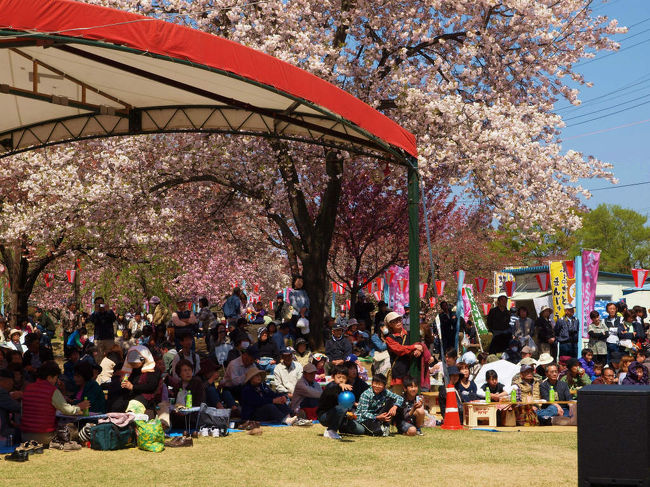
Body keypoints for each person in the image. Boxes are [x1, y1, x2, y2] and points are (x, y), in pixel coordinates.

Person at [20, 361, 90, 445]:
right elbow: (67, 410)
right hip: (44, 436)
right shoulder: (52, 391)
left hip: (25, 435)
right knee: (72, 429)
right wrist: (79, 406)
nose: (56, 381)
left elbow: (22, 410)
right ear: (50, 377)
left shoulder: (28, 388)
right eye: (56, 378)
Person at [108, 346, 161, 413]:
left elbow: (151, 386)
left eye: (134, 362)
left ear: (143, 359)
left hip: (146, 397)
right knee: (116, 403)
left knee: (132, 407)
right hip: (130, 395)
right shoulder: (132, 369)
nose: (132, 364)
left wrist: (132, 387)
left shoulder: (153, 369)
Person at [317, 364, 364, 439]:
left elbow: (348, 403)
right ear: (333, 377)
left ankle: (340, 427)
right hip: (324, 416)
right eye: (338, 377)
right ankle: (331, 431)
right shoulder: (330, 386)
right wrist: (339, 385)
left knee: (360, 430)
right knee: (342, 408)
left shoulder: (346, 389)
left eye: (344, 378)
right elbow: (331, 388)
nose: (341, 380)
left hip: (341, 416)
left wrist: (350, 413)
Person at [383, 311, 424, 390]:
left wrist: (419, 349)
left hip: (412, 369)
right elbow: (399, 350)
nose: (398, 322)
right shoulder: (389, 338)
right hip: (399, 372)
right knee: (399, 397)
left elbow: (419, 343)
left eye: (399, 319)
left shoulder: (410, 334)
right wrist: (414, 347)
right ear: (390, 324)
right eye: (394, 321)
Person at [88, 296, 117, 361]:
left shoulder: (109, 312)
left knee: (110, 357)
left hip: (109, 338)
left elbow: (114, 319)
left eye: (101, 303)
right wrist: (96, 311)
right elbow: (92, 321)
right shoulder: (95, 314)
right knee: (98, 358)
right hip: (99, 339)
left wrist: (108, 310)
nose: (100, 305)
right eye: (98, 304)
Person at [0, 369, 21, 442]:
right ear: (6, 381)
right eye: (12, 381)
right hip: (3, 433)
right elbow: (17, 407)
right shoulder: (1, 392)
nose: (12, 384)